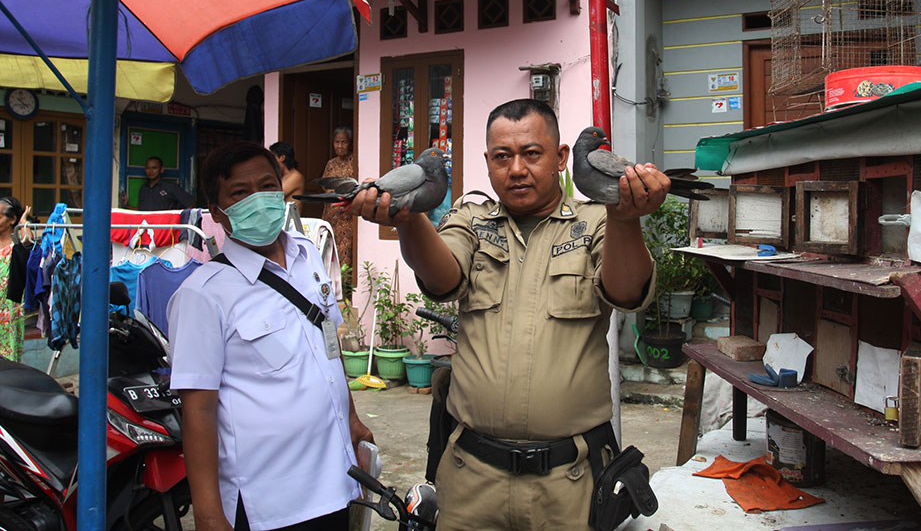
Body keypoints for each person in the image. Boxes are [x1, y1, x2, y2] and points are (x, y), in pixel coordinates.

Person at [348, 99, 669, 530]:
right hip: (471, 480)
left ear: (560, 158)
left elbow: (626, 292)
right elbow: (443, 279)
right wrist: (408, 219)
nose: (517, 168)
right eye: (503, 157)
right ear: (488, 162)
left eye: (532, 154)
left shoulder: (595, 221)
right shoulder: (471, 218)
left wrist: (625, 218)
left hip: (570, 483)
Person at [167, 142, 373, 531]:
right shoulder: (202, 294)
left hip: (336, 482)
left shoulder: (308, 255)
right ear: (217, 211)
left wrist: (351, 416)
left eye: (266, 186)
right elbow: (199, 411)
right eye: (240, 193)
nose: (258, 200)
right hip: (269, 504)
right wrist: (209, 515)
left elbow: (327, 339)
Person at [0, 197, 32, 361]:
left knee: (7, 357)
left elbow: (28, 240)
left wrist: (23, 222)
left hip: (8, 309)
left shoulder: (17, 246)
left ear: (12, 219)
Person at [320, 127, 355, 266]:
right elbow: (325, 184)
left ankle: (344, 286)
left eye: (343, 142)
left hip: (346, 218)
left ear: (350, 143)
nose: (340, 146)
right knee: (327, 251)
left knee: (344, 252)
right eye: (337, 142)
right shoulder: (331, 163)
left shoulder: (355, 161)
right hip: (330, 215)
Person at [122, 156, 194, 211]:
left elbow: (191, 203)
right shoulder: (143, 188)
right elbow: (141, 211)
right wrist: (126, 206)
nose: (151, 171)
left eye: (154, 168)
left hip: (166, 228)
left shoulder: (170, 187)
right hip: (147, 228)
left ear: (161, 169)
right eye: (148, 168)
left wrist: (180, 221)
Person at [269, 141, 306, 211]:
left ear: (282, 157)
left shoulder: (295, 176)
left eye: (273, 157)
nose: (271, 161)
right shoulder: (281, 176)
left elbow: (274, 196)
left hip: (290, 220)